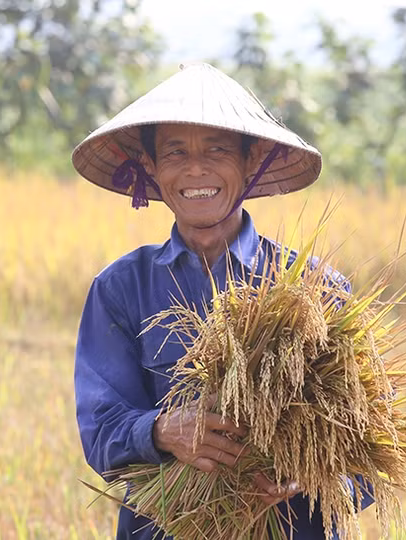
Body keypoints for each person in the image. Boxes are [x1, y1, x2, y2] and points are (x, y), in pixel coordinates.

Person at [72, 63, 374, 540]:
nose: (196, 169)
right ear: (150, 167)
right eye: (175, 152)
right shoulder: (120, 289)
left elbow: (370, 453)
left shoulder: (317, 289)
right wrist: (163, 430)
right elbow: (101, 431)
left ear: (251, 160)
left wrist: (309, 477)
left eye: (217, 149)